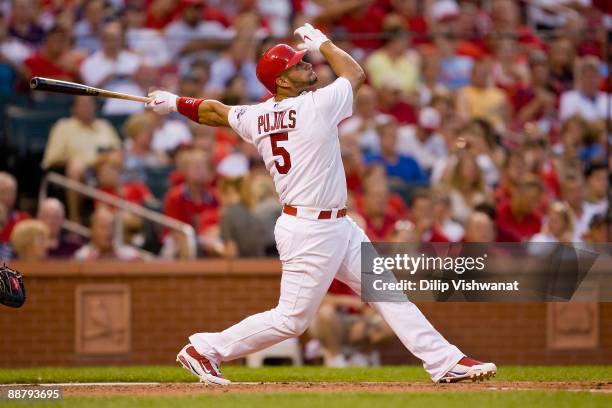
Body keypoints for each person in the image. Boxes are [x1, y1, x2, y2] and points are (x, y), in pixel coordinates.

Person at [147, 23, 496, 385]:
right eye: (298, 64)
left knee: (387, 293)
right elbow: (355, 73)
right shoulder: (316, 105)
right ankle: (204, 349)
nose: (308, 64)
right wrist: (326, 43)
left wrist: (175, 103)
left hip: (336, 225)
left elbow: (215, 112)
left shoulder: (256, 116)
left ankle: (444, 361)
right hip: (310, 228)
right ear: (282, 81)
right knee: (291, 320)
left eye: (305, 59)